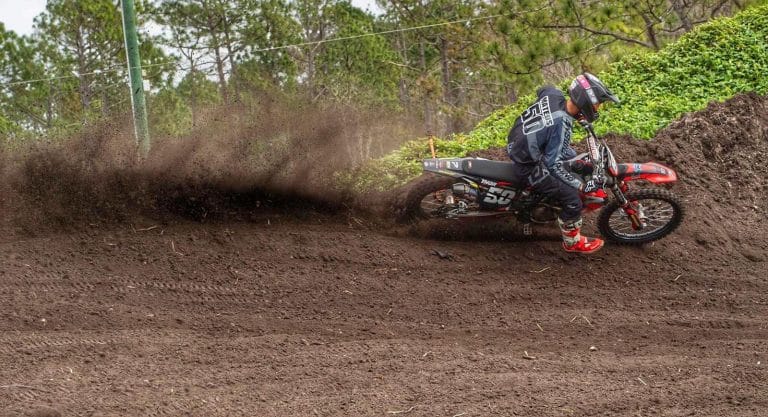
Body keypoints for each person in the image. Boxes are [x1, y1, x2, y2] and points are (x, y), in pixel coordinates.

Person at [506, 72, 620, 254]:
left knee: (572, 155)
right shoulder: (561, 126)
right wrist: (581, 186)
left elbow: (543, 89)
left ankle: (549, 204)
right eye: (598, 104)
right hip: (527, 164)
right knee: (572, 199)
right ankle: (572, 243)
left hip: (518, 142)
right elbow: (553, 165)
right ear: (586, 103)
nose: (598, 109)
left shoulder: (554, 95)